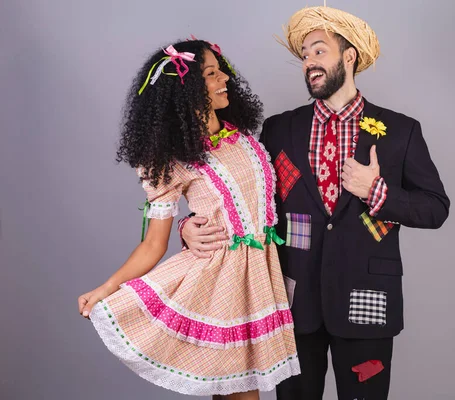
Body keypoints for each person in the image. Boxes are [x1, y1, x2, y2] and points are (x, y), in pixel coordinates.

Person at [180, 6, 450, 400]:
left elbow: (435, 207)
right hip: (291, 303)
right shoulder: (279, 128)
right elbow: (244, 195)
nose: (309, 62)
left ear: (349, 56)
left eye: (319, 51)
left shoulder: (400, 131)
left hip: (366, 301)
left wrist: (376, 191)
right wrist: (191, 225)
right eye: (304, 55)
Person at [77, 38, 299, 400]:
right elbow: (153, 243)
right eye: (212, 74)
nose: (225, 77)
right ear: (189, 91)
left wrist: (191, 225)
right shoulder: (170, 161)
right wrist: (106, 289)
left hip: (259, 278)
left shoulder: (240, 136)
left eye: (219, 69)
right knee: (240, 395)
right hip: (222, 284)